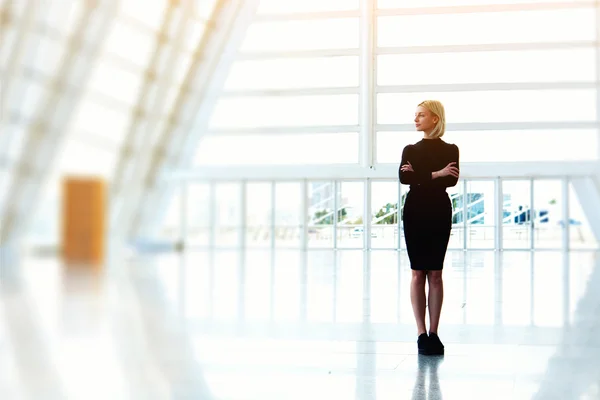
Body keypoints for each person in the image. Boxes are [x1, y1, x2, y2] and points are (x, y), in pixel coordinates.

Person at [398, 100, 460, 356]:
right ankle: (420, 333)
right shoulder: (409, 148)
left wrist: (421, 174)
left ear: (435, 118)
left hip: (438, 211)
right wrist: (436, 174)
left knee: (435, 273)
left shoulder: (451, 149)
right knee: (417, 273)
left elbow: (453, 179)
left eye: (421, 115)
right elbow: (404, 178)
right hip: (414, 211)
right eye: (415, 115)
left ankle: (434, 333)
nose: (416, 119)